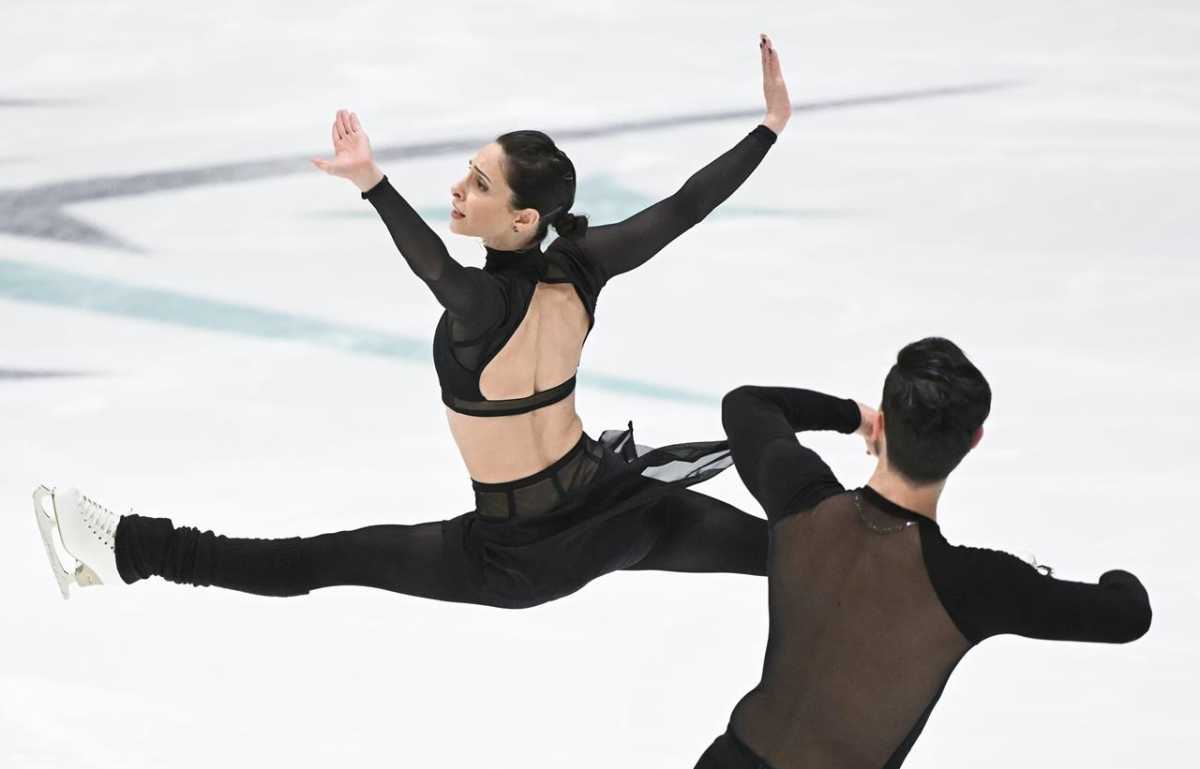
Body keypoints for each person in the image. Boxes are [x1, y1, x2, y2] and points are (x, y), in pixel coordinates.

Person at [35, 35, 791, 608]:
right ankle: (896, 549)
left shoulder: (484, 306)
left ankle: (121, 548)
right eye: (469, 169)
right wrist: (768, 127)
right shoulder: (584, 266)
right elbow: (687, 206)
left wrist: (373, 183)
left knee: (318, 559)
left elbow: (437, 269)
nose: (459, 188)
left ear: (523, 219)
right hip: (616, 511)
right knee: (791, 550)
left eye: (480, 183)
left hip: (520, 557)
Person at [695, 336, 1152, 769]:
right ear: (973, 441)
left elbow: (747, 403)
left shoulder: (801, 500)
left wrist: (853, 416)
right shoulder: (977, 584)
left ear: (884, 424)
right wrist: (1109, 573)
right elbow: (1128, 613)